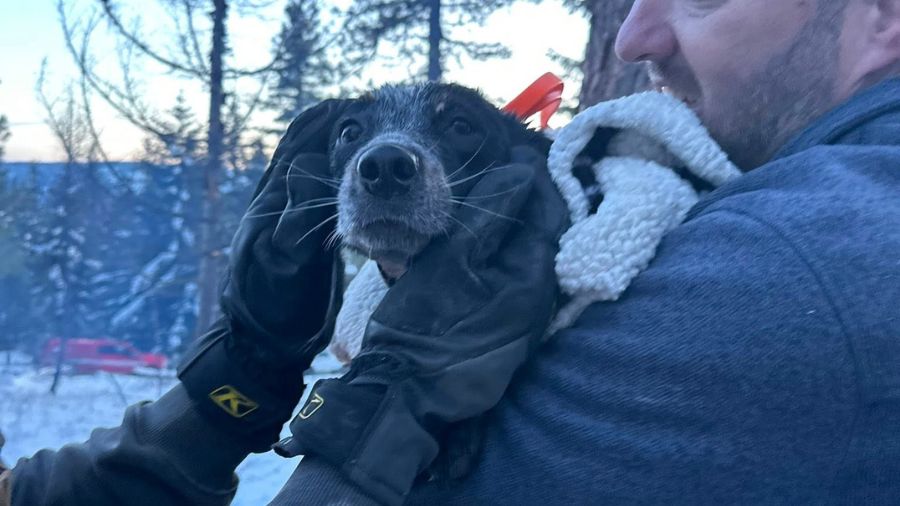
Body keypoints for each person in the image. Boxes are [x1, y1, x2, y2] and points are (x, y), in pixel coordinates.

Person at [3, 0, 900, 503]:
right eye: (354, 139)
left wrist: (388, 403)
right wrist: (240, 382)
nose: (631, 37)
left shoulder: (795, 263)